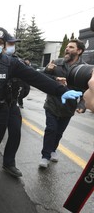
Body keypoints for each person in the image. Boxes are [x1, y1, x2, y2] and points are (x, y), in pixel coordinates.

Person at [0, 26, 82, 203]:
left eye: (0, 43)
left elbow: (35, 78)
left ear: (4, 45)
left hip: (0, 112)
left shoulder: (11, 63)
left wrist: (60, 91)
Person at [39, 39, 86, 168]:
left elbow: (86, 90)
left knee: (59, 132)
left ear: (79, 51)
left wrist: (82, 105)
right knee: (51, 129)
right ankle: (45, 156)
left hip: (68, 107)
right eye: (67, 47)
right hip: (52, 104)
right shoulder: (56, 63)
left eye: (71, 47)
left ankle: (53, 149)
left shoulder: (84, 68)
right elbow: (42, 79)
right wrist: (49, 72)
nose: (67, 49)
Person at [1, 34, 24, 177]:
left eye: (13, 44)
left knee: (15, 133)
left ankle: (9, 163)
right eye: (9, 43)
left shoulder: (17, 62)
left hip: (12, 104)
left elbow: (28, 80)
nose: (12, 46)